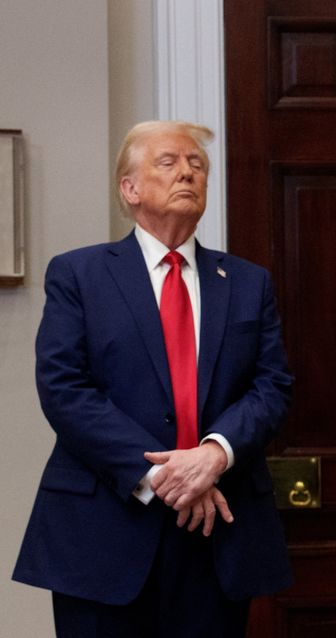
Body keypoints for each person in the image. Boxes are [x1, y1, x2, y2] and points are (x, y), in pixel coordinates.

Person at [13, 120, 293, 636]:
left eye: (197, 165)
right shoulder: (79, 274)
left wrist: (214, 454)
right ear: (130, 188)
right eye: (168, 163)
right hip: (104, 532)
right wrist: (167, 477)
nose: (187, 172)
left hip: (218, 533)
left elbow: (271, 386)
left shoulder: (249, 283)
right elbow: (64, 388)